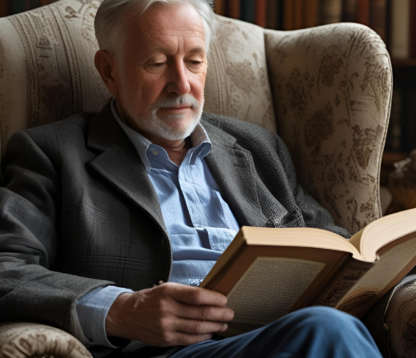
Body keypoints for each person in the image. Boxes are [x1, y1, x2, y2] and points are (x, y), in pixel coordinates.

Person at [0, 0, 383, 357]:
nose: (182, 84)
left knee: (329, 327)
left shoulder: (258, 148)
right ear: (109, 70)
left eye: (195, 61)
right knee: (327, 330)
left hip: (274, 338)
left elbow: (335, 246)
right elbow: (7, 267)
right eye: (156, 62)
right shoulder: (51, 152)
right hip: (158, 350)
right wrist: (119, 309)